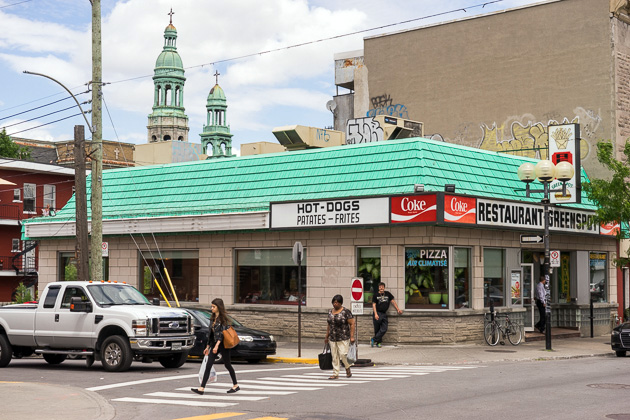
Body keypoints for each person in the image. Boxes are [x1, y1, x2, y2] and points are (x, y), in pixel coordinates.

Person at [192, 298, 240, 394]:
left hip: (223, 345)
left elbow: (222, 334)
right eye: (212, 306)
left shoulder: (223, 319)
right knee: (208, 365)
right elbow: (211, 334)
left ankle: (236, 385)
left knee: (227, 365)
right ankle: (202, 388)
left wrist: (217, 346)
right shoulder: (212, 318)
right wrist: (208, 346)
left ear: (219, 307)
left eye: (214, 306)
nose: (212, 308)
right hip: (214, 344)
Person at [324, 294, 355, 380]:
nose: (335, 304)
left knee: (343, 354)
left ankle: (347, 367)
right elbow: (329, 325)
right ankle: (335, 373)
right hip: (333, 337)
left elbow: (352, 324)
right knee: (334, 356)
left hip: (343, 337)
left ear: (341, 303)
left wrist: (352, 336)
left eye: (337, 302)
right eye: (334, 302)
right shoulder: (330, 312)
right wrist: (326, 336)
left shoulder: (346, 312)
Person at [371, 282, 403, 347]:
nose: (381, 287)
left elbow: (393, 302)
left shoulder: (388, 294)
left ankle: (374, 339)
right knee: (377, 329)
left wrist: (398, 309)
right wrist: (376, 314)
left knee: (384, 328)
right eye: (380, 286)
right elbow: (374, 305)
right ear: (378, 288)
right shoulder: (375, 295)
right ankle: (378, 343)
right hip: (377, 313)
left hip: (384, 314)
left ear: (384, 287)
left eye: (382, 286)